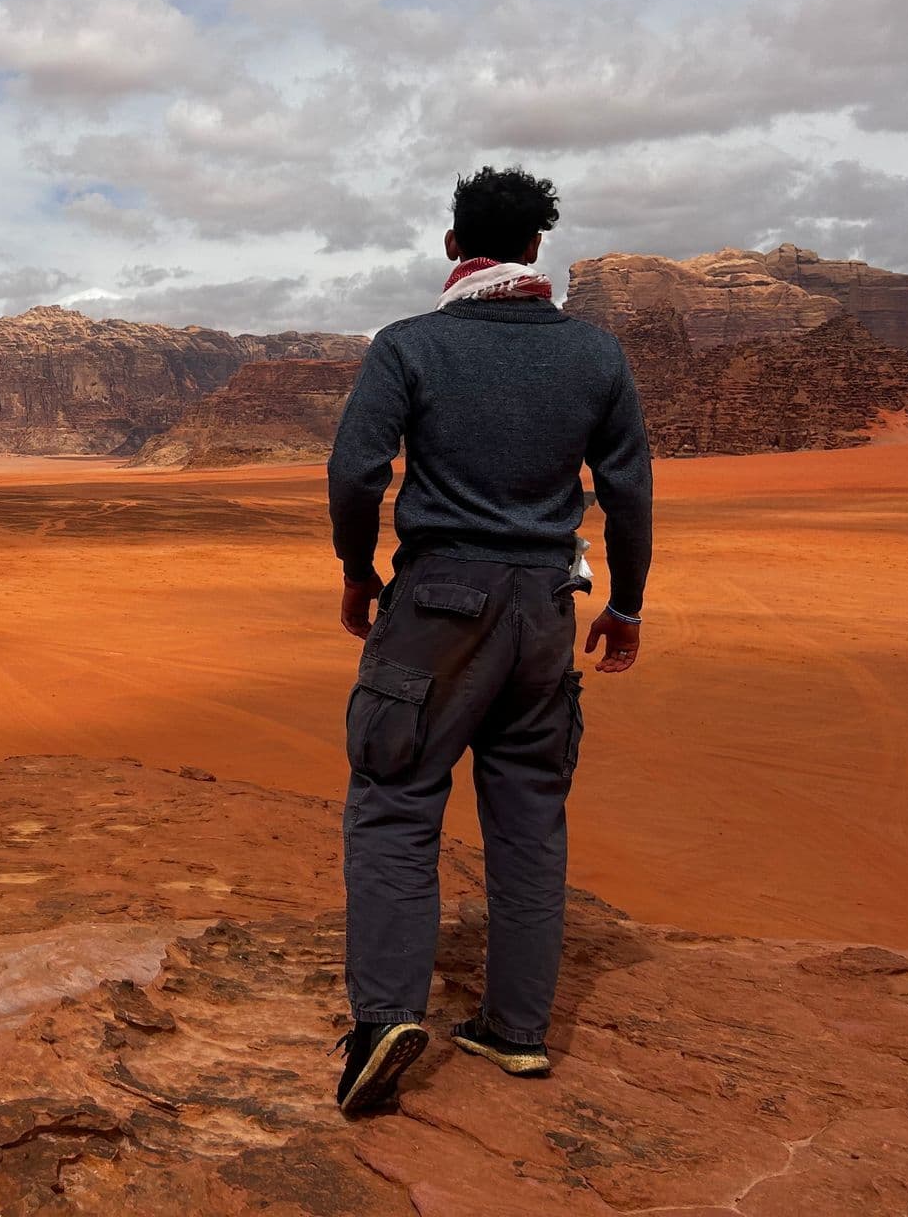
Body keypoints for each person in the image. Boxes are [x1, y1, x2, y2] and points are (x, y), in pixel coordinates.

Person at [326, 166, 653, 1113]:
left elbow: (357, 471)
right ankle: (516, 1030)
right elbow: (627, 491)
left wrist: (358, 572)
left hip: (438, 607)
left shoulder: (410, 346)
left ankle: (384, 1017)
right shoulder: (595, 356)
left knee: (393, 802)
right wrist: (625, 605)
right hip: (547, 610)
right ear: (537, 250)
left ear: (450, 244)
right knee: (529, 817)